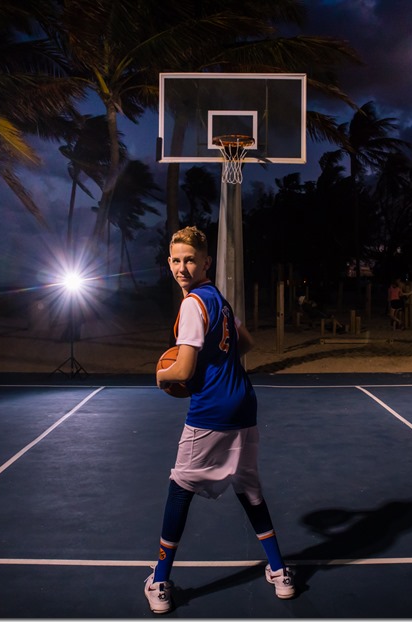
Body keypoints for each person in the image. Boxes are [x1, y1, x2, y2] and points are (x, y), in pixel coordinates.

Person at [145, 226, 294, 614]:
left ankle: (159, 580)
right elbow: (245, 343)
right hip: (244, 404)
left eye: (190, 259)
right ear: (169, 262)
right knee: (249, 487)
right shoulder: (218, 299)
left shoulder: (192, 304)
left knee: (180, 486)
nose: (182, 267)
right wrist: (219, 361)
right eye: (176, 260)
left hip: (212, 410)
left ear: (206, 261)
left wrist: (158, 374)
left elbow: (182, 371)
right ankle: (279, 571)